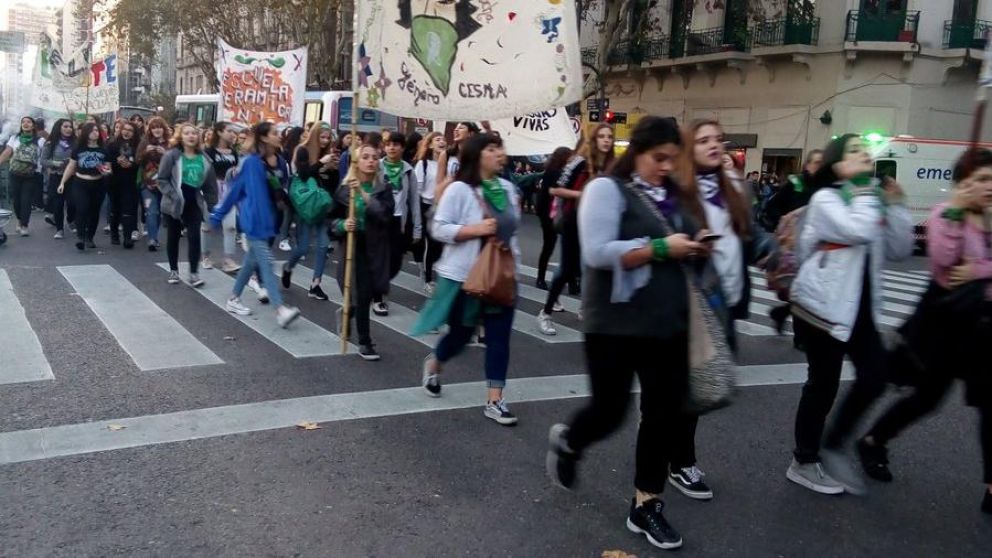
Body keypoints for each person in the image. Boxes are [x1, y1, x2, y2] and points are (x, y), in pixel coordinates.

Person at [545, 116, 709, 550]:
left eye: (673, 161)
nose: (666, 168)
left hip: (666, 323)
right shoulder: (605, 189)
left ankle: (646, 505)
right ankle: (571, 441)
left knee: (662, 416)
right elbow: (598, 253)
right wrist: (660, 247)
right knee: (610, 411)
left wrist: (697, 243)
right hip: (615, 324)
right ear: (636, 151)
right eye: (659, 158)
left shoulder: (675, 198)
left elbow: (686, 243)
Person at [857, 148, 992, 514]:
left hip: (985, 328)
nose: (988, 187)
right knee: (926, 399)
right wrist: (956, 214)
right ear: (961, 184)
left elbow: (974, 271)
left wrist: (981, 270)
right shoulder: (945, 215)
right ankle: (873, 440)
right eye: (980, 180)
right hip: (948, 327)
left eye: (991, 179)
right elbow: (945, 263)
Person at [786, 134, 913, 496]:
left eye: (866, 150)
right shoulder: (828, 198)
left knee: (875, 378)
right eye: (854, 151)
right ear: (837, 164)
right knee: (822, 386)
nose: (865, 155)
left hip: (861, 311)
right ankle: (804, 460)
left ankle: (835, 441)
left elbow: (900, 250)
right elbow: (856, 231)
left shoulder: (868, 200)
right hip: (823, 307)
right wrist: (865, 195)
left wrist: (898, 206)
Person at [412, 133, 522, 425]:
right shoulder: (459, 189)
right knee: (461, 335)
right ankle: (436, 360)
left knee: (499, 338)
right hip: (465, 277)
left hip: (501, 275)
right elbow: (438, 229)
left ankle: (495, 400)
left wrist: (515, 265)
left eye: (501, 148)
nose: (500, 153)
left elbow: (513, 232)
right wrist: (475, 230)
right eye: (492, 148)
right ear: (476, 155)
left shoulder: (509, 189)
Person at [210, 122, 301, 328]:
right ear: (264, 138)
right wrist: (218, 215)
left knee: (251, 263)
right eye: (275, 133)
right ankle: (280, 310)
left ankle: (234, 299)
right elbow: (236, 191)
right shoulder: (251, 163)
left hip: (268, 222)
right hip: (253, 223)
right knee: (266, 263)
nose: (279, 136)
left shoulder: (274, 162)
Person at [537, 123, 615, 336]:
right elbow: (555, 189)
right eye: (602, 136)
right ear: (594, 140)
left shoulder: (611, 165)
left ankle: (588, 309)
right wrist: (586, 195)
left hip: (598, 224)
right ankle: (545, 312)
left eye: (610, 136)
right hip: (573, 222)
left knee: (594, 268)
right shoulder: (580, 163)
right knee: (566, 270)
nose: (606, 140)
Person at [330, 142, 395, 360]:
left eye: (374, 157)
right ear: (356, 162)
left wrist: (363, 195)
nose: (370, 161)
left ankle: (348, 312)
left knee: (368, 292)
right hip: (352, 247)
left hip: (376, 247)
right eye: (365, 157)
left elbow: (384, 214)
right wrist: (342, 225)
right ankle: (365, 342)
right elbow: (331, 220)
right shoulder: (343, 189)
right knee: (363, 293)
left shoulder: (383, 188)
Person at [762, 149, 824, 332]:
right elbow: (772, 206)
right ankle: (797, 333)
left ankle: (782, 314)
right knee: (798, 289)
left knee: (805, 290)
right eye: (816, 162)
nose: (820, 166)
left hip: (816, 245)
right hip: (794, 244)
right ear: (807, 165)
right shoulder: (796, 183)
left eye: (823, 163)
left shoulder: (826, 188)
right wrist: (782, 224)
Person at [282, 123, 339, 301]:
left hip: (322, 204)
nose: (325, 141)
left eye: (328, 137)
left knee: (323, 245)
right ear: (314, 135)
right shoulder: (302, 150)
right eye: (322, 136)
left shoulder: (329, 153)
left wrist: (332, 169)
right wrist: (321, 163)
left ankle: (315, 285)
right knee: (303, 247)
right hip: (305, 205)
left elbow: (332, 182)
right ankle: (288, 267)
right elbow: (303, 174)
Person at [157, 123, 219, 287]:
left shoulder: (205, 159)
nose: (191, 136)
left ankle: (193, 273)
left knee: (194, 237)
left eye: (194, 133)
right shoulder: (172, 156)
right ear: (180, 137)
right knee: (173, 236)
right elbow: (161, 179)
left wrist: (213, 208)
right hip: (174, 203)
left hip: (194, 202)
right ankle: (174, 270)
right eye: (187, 133)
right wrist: (172, 194)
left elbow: (210, 187)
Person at [371, 132, 421, 316]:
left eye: (396, 144)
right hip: (380, 218)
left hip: (399, 220)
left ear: (402, 147)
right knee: (381, 259)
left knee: (395, 261)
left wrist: (417, 228)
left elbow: (414, 200)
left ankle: (379, 284)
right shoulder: (377, 166)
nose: (392, 147)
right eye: (388, 144)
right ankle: (378, 297)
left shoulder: (408, 170)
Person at [56, 122, 108, 251]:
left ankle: (90, 237)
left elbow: (109, 168)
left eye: (97, 130)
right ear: (86, 132)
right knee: (82, 208)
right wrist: (62, 182)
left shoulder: (103, 150)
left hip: (98, 183)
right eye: (92, 130)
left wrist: (106, 171)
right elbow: (71, 167)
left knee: (94, 211)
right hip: (80, 183)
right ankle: (80, 237)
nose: (95, 132)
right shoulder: (79, 149)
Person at [412, 131, 447, 295]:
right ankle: (428, 279)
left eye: (443, 139)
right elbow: (417, 191)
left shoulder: (449, 164)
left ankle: (429, 270)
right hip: (427, 207)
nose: (441, 142)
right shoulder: (423, 164)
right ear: (431, 144)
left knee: (440, 245)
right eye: (437, 139)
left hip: (444, 208)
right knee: (431, 244)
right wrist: (417, 214)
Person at [204, 121, 241, 272]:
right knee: (207, 226)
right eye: (229, 131)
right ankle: (205, 257)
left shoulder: (234, 153)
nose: (232, 134)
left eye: (234, 131)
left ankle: (228, 260)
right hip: (212, 190)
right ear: (219, 132)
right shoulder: (209, 152)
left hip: (230, 191)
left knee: (231, 226)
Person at [0, 116, 45, 237]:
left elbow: (43, 157)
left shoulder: (40, 140)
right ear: (21, 125)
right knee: (16, 200)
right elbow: (7, 152)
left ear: (33, 125)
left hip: (31, 175)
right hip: (14, 173)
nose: (26, 124)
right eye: (23, 122)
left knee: (26, 200)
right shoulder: (14, 138)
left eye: (29, 122)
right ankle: (20, 220)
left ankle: (24, 225)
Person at [535, 147, 572, 290]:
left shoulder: (553, 171)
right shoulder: (555, 172)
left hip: (553, 215)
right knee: (549, 246)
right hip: (550, 215)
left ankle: (569, 280)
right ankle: (541, 278)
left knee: (560, 247)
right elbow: (551, 192)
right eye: (569, 157)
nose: (571, 160)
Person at [106, 121, 142, 248]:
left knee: (128, 209)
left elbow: (140, 163)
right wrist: (117, 162)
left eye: (130, 130)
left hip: (130, 182)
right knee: (115, 209)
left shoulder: (138, 146)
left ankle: (127, 237)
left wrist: (131, 165)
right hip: (114, 181)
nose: (126, 132)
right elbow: (107, 163)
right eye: (125, 129)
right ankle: (114, 234)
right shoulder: (113, 145)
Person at [137, 117, 170, 251]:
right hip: (148, 184)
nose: (157, 130)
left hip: (165, 184)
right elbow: (137, 160)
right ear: (150, 130)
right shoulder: (144, 142)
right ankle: (152, 239)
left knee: (159, 213)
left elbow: (178, 161)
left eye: (159, 127)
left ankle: (154, 235)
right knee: (151, 211)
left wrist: (166, 153)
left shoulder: (170, 143)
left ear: (164, 129)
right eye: (154, 127)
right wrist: (145, 152)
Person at [42, 119, 76, 239]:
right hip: (56, 176)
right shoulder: (50, 143)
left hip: (73, 178)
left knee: (72, 202)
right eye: (65, 126)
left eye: (70, 127)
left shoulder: (76, 143)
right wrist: (56, 163)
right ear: (59, 128)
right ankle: (59, 229)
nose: (68, 129)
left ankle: (71, 220)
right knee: (58, 204)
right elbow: (43, 161)